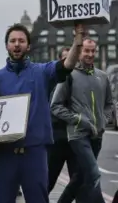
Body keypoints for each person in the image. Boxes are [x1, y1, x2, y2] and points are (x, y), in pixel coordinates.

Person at [0, 23, 83, 203]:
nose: (17, 44)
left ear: (29, 46)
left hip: (35, 153)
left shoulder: (42, 71)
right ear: (7, 46)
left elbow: (67, 64)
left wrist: (78, 40)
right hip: (5, 154)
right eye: (13, 41)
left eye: (21, 41)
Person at [51, 37, 112, 203]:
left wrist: (103, 121)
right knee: (93, 173)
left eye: (93, 51)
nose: (90, 54)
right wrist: (79, 120)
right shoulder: (69, 76)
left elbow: (109, 104)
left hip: (97, 135)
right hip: (77, 135)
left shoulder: (103, 76)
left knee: (79, 177)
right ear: (79, 52)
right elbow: (55, 106)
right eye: (86, 50)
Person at [47, 47, 75, 196]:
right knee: (48, 180)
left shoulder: (78, 79)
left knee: (79, 180)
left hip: (75, 137)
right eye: (66, 59)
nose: (69, 63)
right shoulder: (53, 80)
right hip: (57, 136)